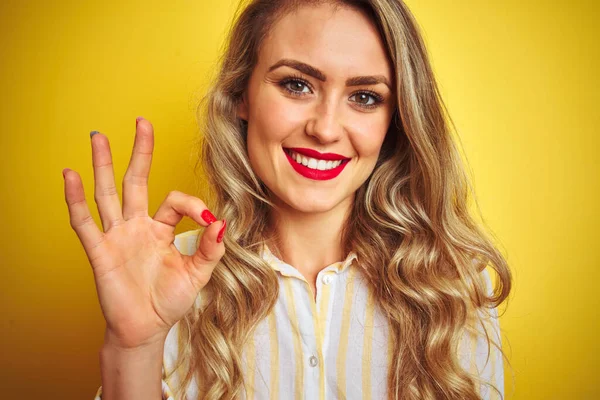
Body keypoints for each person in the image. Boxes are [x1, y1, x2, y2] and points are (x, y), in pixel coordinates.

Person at [62, 0, 512, 399]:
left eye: (364, 97)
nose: (326, 128)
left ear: (395, 120)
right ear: (242, 94)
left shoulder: (453, 287)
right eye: (297, 85)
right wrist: (134, 345)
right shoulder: (166, 277)